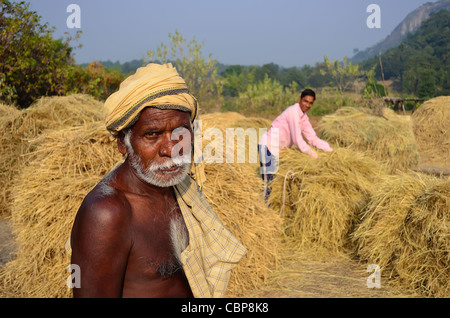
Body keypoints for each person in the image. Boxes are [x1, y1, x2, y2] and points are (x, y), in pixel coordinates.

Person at [70, 63, 246, 298]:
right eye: (152, 134)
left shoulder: (181, 190)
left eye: (180, 133)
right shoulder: (108, 213)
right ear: (124, 142)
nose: (172, 149)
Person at [258, 89, 333, 200]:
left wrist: (329, 150)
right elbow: (298, 140)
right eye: (305, 101)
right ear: (299, 99)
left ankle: (268, 210)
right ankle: (264, 213)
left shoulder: (304, 118)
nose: (307, 105)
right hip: (268, 147)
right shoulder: (293, 112)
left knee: (276, 183)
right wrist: (315, 155)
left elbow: (312, 138)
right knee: (269, 184)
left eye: (310, 103)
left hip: (279, 150)